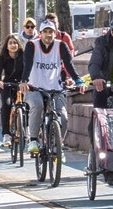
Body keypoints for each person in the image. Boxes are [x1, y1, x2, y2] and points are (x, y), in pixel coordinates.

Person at [19, 20, 87, 154]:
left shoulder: (61, 45)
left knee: (63, 117)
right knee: (37, 106)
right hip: (34, 87)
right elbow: (27, 65)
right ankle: (33, 140)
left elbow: (69, 65)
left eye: (51, 32)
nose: (48, 35)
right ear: (40, 33)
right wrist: (24, 81)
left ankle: (57, 143)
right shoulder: (32, 45)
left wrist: (78, 81)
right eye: (45, 32)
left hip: (56, 87)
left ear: (55, 33)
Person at [0, 33, 26, 146]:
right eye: (10, 43)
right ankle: (6, 134)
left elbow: (29, 69)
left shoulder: (23, 55)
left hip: (22, 85)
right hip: (7, 85)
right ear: (7, 46)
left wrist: (26, 82)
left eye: (15, 43)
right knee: (6, 105)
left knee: (28, 105)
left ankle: (27, 129)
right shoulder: (3, 57)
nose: (13, 45)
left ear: (19, 45)